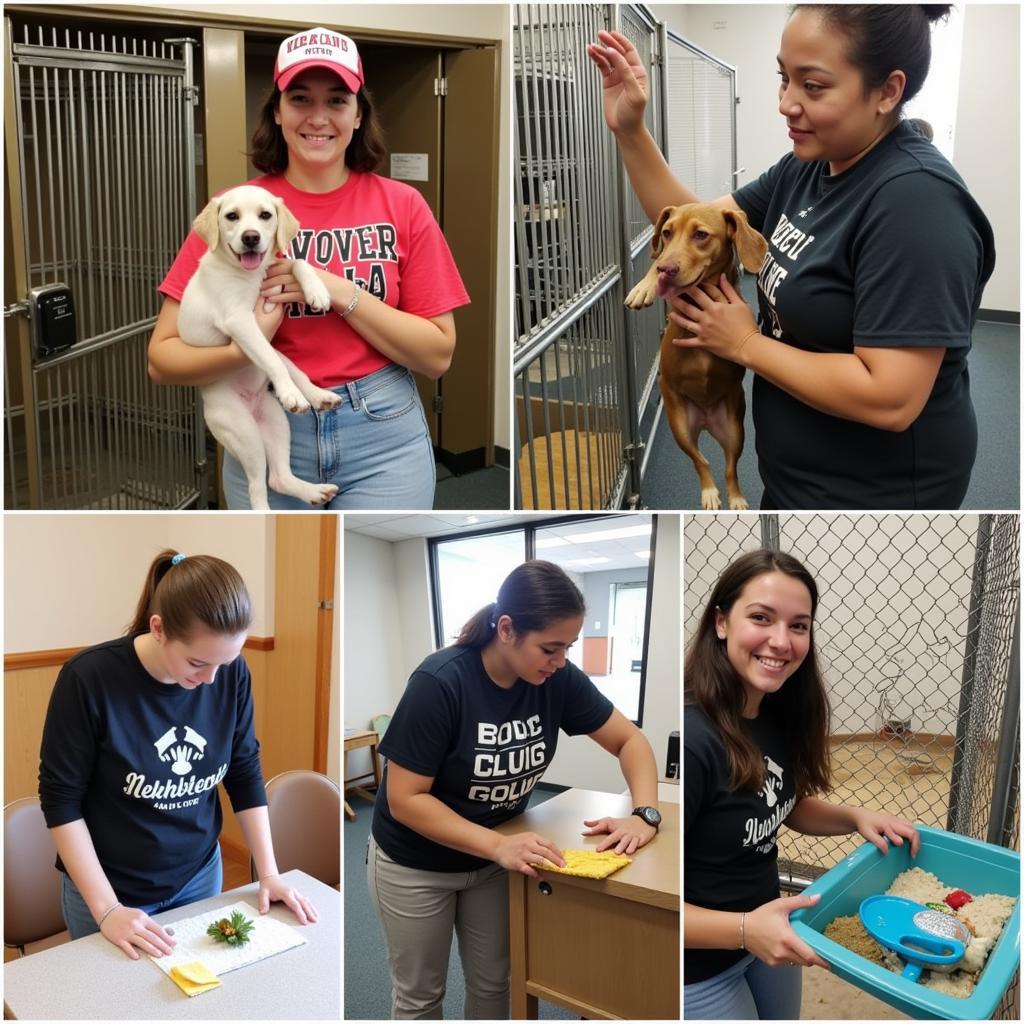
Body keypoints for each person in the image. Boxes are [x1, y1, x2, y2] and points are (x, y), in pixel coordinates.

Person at [588, 6, 995, 510]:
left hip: (874, 496)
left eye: (814, 86)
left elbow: (891, 398)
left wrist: (743, 342)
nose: (786, 103)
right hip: (796, 474)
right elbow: (695, 227)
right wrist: (630, 130)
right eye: (784, 79)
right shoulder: (808, 167)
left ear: (888, 91)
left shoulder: (918, 205)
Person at [149, 28, 470, 510]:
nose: (318, 117)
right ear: (277, 113)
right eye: (300, 98)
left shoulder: (403, 205)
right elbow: (161, 360)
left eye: (337, 100)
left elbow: (437, 355)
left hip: (382, 435)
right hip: (270, 419)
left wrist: (340, 293)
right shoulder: (236, 211)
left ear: (358, 115)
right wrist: (249, 347)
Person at [367, 560, 662, 1019]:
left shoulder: (557, 679)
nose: (560, 661)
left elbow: (631, 741)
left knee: (495, 987)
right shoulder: (440, 683)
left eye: (568, 647)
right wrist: (495, 845)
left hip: (492, 860)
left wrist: (644, 813)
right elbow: (405, 800)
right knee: (420, 997)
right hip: (415, 864)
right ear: (506, 629)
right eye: (550, 648)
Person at [39, 550, 318, 960]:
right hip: (110, 889)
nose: (211, 680)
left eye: (226, 663)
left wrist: (269, 872)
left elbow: (243, 771)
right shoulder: (89, 679)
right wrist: (108, 909)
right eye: (197, 663)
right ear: (158, 628)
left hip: (198, 876)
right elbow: (60, 800)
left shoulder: (229, 674)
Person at [683, 550, 920, 1019]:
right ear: (721, 622)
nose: (781, 641)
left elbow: (780, 804)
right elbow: (660, 903)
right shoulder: (693, 738)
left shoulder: (775, 709)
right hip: (697, 962)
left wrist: (856, 817)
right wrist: (747, 929)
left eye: (798, 625)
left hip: (770, 930)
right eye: (760, 618)